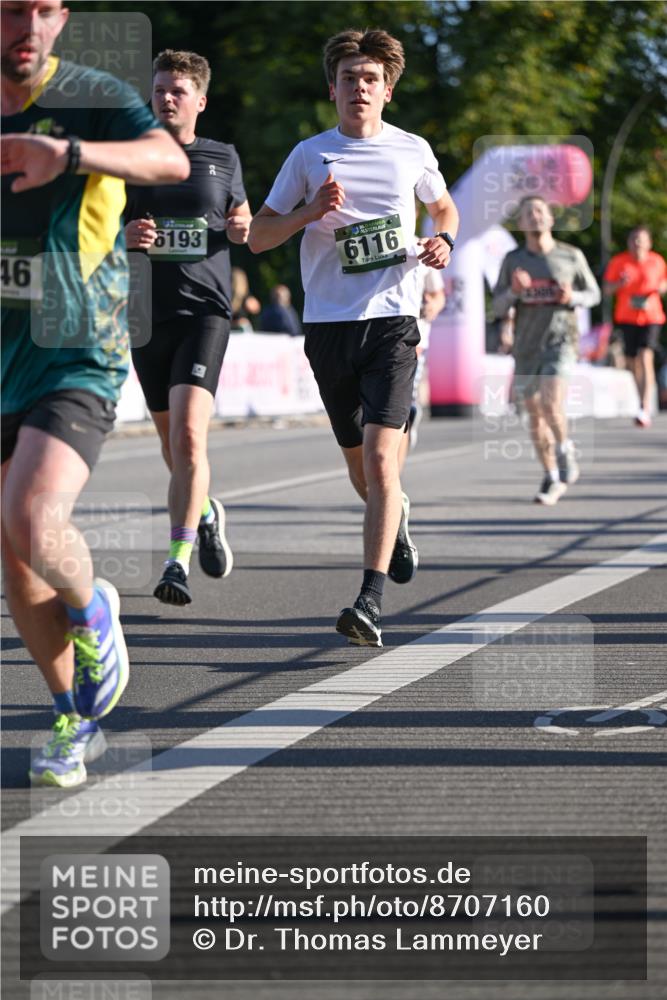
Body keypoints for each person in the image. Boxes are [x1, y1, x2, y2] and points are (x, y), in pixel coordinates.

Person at [1, 0, 190, 787]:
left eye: (45, 10)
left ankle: (95, 607)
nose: (30, 25)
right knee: (15, 562)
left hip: (77, 346)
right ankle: (73, 717)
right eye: (14, 10)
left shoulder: (92, 94)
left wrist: (72, 154)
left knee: (33, 517)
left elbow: (170, 162)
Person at [249, 29, 458, 647]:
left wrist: (443, 240)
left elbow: (444, 209)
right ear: (331, 88)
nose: (358, 89)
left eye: (370, 79)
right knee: (360, 473)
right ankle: (398, 521)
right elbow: (259, 237)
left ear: (387, 90)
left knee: (379, 461)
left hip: (394, 321)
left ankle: (368, 600)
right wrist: (309, 214)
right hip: (328, 326)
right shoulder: (309, 155)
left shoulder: (411, 150)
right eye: (348, 78)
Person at [124, 50, 252, 606]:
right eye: (159, 90)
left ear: (199, 100)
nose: (166, 98)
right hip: (146, 315)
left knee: (189, 435)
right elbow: (94, 229)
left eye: (177, 90)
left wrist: (244, 224)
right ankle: (205, 510)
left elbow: (241, 219)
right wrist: (123, 239)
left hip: (205, 312)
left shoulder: (222, 157)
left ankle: (175, 563)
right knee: (170, 445)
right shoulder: (129, 157)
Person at [493, 195, 601, 506]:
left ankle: (565, 450)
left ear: (551, 219)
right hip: (526, 346)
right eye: (528, 213)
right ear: (522, 223)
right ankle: (551, 475)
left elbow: (593, 293)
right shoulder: (513, 261)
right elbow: (499, 305)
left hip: (561, 341)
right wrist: (515, 291)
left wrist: (573, 297)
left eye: (540, 211)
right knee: (535, 415)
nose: (535, 216)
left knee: (552, 402)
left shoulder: (570, 256)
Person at [603, 226, 667, 428]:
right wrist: (620, 284)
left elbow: (664, 283)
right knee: (632, 362)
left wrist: (660, 289)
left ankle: (645, 406)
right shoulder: (618, 262)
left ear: (649, 243)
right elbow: (606, 289)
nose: (637, 243)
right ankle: (641, 401)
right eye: (633, 239)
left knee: (645, 356)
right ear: (628, 242)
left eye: (641, 239)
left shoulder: (657, 261)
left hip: (651, 316)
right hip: (627, 317)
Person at [403, 264, 445, 452]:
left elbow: (439, 296)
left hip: (415, 339)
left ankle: (409, 412)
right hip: (375, 337)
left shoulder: (423, 251)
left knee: (400, 401)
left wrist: (432, 306)